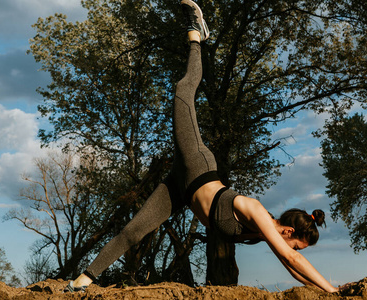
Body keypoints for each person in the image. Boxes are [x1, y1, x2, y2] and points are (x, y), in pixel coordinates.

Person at [65, 0, 340, 293]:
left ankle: (81, 282)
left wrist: (328, 290)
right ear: (288, 231)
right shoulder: (255, 211)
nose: (294, 251)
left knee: (134, 231)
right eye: (296, 244)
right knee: (183, 90)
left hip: (182, 189)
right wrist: (335, 292)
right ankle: (197, 35)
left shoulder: (262, 233)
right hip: (197, 165)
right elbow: (291, 257)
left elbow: (291, 265)